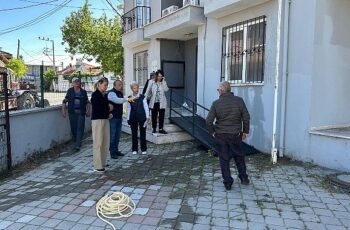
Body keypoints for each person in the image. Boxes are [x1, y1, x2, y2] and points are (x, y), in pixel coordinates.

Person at [206, 81, 251, 191]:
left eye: (218, 90)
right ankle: (244, 178)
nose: (218, 91)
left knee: (224, 159)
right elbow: (246, 117)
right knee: (239, 156)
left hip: (221, 135)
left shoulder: (216, 103)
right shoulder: (239, 101)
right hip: (236, 134)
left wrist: (213, 132)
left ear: (221, 90)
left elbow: (208, 120)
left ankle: (228, 183)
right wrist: (245, 131)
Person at [62, 77, 90, 152]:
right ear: (72, 83)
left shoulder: (83, 92)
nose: (77, 83)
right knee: (73, 128)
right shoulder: (70, 91)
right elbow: (65, 101)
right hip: (72, 113)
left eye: (78, 81)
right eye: (75, 82)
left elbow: (87, 102)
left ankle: (78, 144)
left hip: (81, 113)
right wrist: (63, 110)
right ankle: (76, 140)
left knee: (80, 128)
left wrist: (88, 111)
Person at [107, 80, 134, 159]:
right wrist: (127, 99)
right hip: (113, 118)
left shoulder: (120, 93)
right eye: (119, 85)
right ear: (114, 85)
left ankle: (116, 150)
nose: (121, 86)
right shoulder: (111, 93)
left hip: (119, 117)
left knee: (117, 136)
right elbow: (117, 101)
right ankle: (112, 152)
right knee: (112, 136)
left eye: (121, 84)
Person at [91, 77, 110, 172]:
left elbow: (106, 107)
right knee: (98, 143)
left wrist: (108, 110)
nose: (106, 87)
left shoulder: (104, 95)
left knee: (105, 142)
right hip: (98, 120)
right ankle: (98, 166)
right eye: (105, 85)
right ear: (99, 84)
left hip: (105, 119)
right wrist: (108, 110)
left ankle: (103, 162)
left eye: (107, 85)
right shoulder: (95, 95)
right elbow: (100, 109)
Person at [127, 82, 149, 155]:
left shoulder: (142, 97)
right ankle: (134, 149)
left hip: (142, 117)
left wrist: (147, 116)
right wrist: (128, 118)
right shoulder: (129, 97)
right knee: (134, 134)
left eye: (137, 88)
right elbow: (128, 108)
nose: (136, 90)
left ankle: (143, 149)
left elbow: (146, 107)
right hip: (133, 117)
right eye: (134, 88)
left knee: (143, 133)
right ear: (132, 89)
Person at [146, 69, 169, 134]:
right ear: (156, 76)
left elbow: (166, 89)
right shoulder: (151, 82)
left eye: (161, 76)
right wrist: (145, 99)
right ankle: (154, 128)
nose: (159, 77)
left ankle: (161, 129)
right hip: (154, 102)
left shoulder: (163, 83)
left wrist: (164, 81)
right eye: (158, 76)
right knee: (154, 116)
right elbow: (148, 91)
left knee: (161, 116)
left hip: (162, 102)